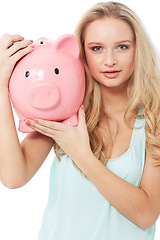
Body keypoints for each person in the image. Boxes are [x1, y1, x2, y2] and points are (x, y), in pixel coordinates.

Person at [0, 1, 160, 239]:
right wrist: (1, 86)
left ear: (138, 49)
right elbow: (13, 178)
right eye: (97, 48)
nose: (110, 60)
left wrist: (82, 155)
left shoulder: (153, 120)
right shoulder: (66, 110)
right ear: (81, 51)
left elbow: (146, 214)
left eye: (122, 47)